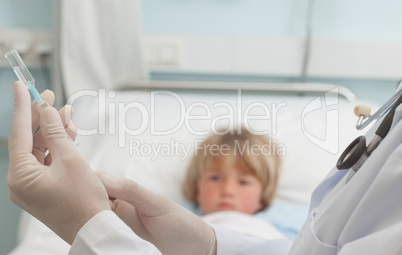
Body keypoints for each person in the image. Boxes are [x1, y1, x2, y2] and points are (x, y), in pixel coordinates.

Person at [8, 81, 402, 254]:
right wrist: (206, 244)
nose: (228, 188)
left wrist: (88, 225)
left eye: (244, 180)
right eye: (215, 177)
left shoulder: (281, 217)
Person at [182, 128, 286, 240]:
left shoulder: (282, 229)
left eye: (243, 182)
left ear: (262, 198)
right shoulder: (175, 220)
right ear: (197, 190)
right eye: (215, 178)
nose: (228, 191)